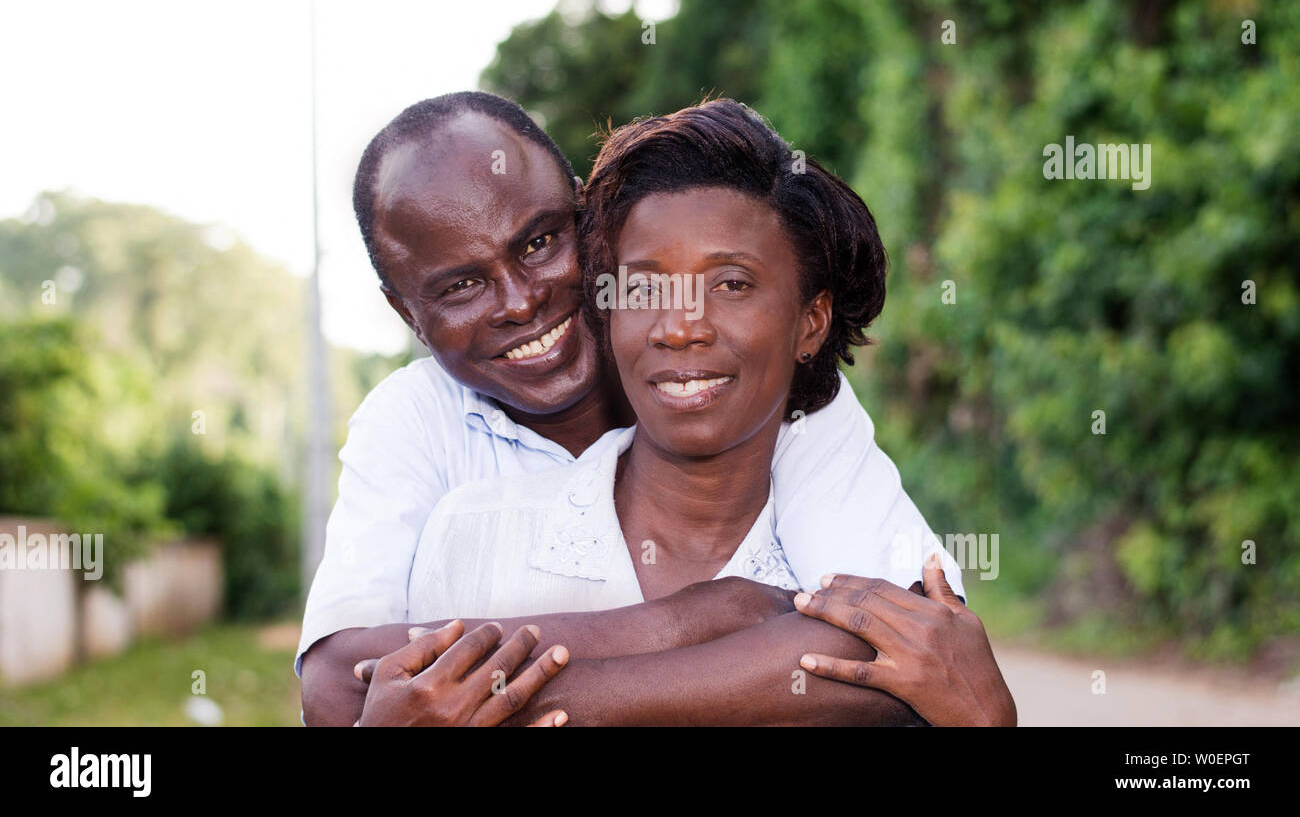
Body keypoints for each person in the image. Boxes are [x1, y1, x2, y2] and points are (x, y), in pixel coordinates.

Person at [301, 92, 1013, 727]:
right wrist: (694, 618)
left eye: (541, 242)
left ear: (588, 221)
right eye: (460, 286)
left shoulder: (771, 392)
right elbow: (341, 685)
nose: (520, 302)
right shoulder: (426, 440)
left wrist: (506, 699)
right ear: (407, 314)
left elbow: (905, 644)